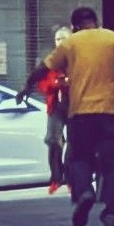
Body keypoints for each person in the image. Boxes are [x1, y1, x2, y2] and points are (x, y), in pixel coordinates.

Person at [41, 6, 114, 226]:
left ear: (74, 26)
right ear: (97, 21)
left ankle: (84, 191)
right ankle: (111, 214)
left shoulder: (71, 43)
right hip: (111, 112)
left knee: (79, 158)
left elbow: (44, 67)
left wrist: (25, 87)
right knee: (112, 164)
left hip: (81, 113)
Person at [40, 27, 72, 193]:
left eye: (64, 38)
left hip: (74, 103)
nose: (60, 42)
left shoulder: (76, 58)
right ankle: (56, 177)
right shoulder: (51, 60)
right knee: (53, 140)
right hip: (56, 104)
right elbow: (42, 83)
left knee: (75, 141)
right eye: (58, 39)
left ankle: (70, 178)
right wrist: (55, 84)